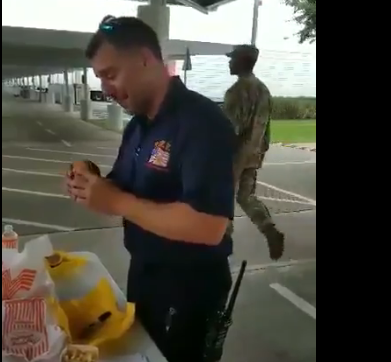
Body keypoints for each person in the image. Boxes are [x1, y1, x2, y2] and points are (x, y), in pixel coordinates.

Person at [66, 16, 236, 362]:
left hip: (189, 292)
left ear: (146, 59)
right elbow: (123, 186)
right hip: (145, 275)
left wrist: (118, 201)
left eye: (111, 74)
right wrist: (92, 181)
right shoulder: (139, 126)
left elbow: (209, 226)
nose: (106, 88)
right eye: (100, 78)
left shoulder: (201, 123)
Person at [223, 44, 285, 261]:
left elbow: (229, 129)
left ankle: (221, 244)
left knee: (222, 198)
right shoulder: (263, 90)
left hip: (234, 155)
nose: (229, 62)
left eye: (232, 59)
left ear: (241, 62)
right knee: (246, 196)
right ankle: (269, 229)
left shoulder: (236, 92)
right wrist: (257, 152)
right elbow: (263, 127)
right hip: (254, 154)